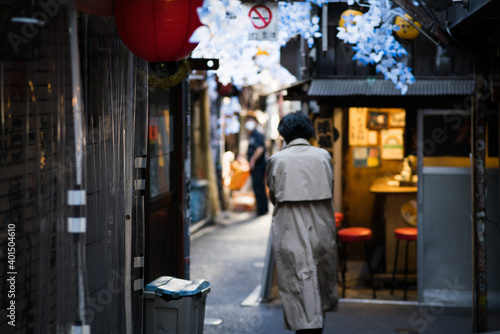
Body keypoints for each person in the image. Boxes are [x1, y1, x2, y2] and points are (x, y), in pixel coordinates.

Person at [265, 112, 338, 334]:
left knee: (297, 279)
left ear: (284, 134)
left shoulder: (277, 160)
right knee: (320, 279)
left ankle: (304, 328)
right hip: (322, 224)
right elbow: (330, 187)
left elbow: (274, 194)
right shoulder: (323, 156)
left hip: (289, 225)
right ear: (309, 132)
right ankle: (317, 326)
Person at [245, 114, 269, 216]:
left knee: (258, 187)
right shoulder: (252, 134)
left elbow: (260, 149)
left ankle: (261, 210)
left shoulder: (257, 134)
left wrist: (253, 160)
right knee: (258, 187)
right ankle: (262, 209)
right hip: (257, 166)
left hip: (259, 166)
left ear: (255, 122)